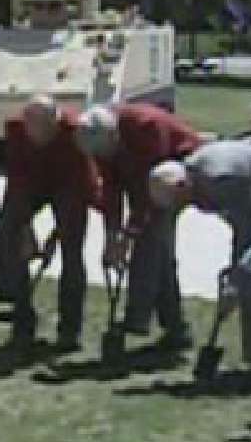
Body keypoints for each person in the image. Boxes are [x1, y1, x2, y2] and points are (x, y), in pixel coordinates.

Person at [148, 140, 251, 375]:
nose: (182, 207)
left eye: (179, 202)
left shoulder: (221, 179)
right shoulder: (195, 174)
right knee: (246, 274)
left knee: (248, 272)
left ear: (182, 185)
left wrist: (233, 281)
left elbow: (246, 230)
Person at [76, 103, 202, 349]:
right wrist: (112, 235)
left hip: (176, 172)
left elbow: (149, 194)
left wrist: (129, 234)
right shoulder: (100, 140)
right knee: (160, 253)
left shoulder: (146, 127)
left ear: (114, 135)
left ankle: (138, 317)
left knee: (149, 241)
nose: (102, 157)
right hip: (144, 178)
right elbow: (111, 189)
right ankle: (176, 327)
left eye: (104, 151)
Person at [0, 95, 101, 351]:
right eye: (32, 128)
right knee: (6, 225)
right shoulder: (15, 130)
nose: (37, 135)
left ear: (56, 122)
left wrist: (55, 237)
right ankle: (20, 308)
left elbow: (81, 187)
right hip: (34, 183)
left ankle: (69, 329)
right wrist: (26, 229)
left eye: (44, 129)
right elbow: (16, 181)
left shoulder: (75, 133)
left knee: (72, 251)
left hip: (69, 187)